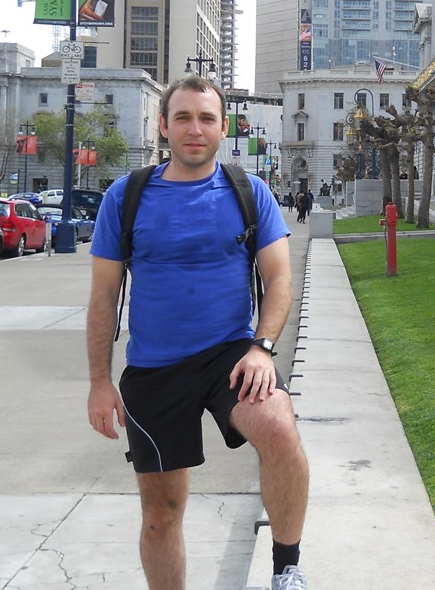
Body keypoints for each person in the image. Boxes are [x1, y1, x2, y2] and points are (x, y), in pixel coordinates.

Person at [86, 76, 310, 590]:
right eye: (183, 117)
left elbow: (279, 278)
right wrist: (99, 381)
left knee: (279, 429)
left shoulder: (249, 193)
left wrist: (262, 348)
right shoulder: (126, 197)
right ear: (163, 127)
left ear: (223, 127)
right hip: (154, 370)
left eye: (206, 118)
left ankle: (287, 569)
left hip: (230, 357)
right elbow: (103, 295)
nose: (194, 129)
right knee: (160, 514)